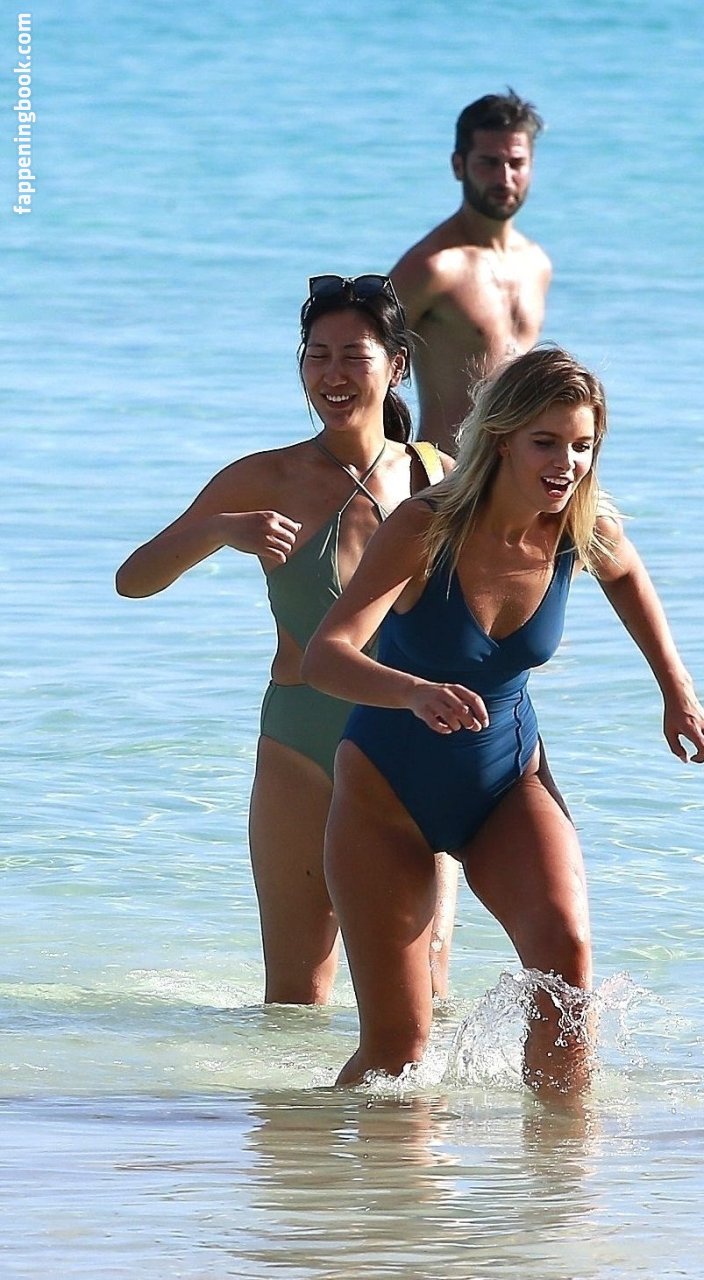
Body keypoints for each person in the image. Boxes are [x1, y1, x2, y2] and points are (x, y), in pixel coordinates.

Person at [302, 345, 704, 1095]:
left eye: (583, 446)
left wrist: (677, 690)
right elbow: (326, 657)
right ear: (502, 439)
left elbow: (628, 574)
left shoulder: (578, 529)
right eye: (546, 443)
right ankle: (321, 1163)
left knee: (566, 963)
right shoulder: (425, 527)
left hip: (506, 781)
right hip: (385, 793)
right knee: (398, 1049)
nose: (567, 464)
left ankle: (559, 1159)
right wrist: (412, 691)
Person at [115, 274, 459, 1005]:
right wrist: (220, 531)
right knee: (296, 995)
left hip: (412, 742)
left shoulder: (439, 479)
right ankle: (290, 1091)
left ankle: (416, 1092)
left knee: (424, 988)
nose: (333, 375)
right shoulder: (266, 477)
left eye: (354, 356)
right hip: (301, 740)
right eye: (317, 356)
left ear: (397, 365)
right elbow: (134, 580)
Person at [390, 89, 552, 453]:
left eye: (516, 163)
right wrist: (389, 460)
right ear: (458, 166)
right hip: (447, 469)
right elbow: (366, 365)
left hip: (515, 470)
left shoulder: (537, 264)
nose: (504, 178)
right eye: (489, 163)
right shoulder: (433, 266)